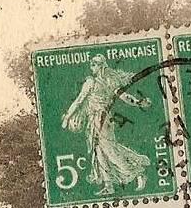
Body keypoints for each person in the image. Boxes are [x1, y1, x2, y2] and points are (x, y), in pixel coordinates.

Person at [62, 54, 152, 196]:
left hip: (102, 119)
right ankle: (108, 185)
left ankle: (138, 173)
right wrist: (68, 116)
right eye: (92, 64)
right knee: (99, 152)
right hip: (94, 120)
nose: (92, 66)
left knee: (110, 150)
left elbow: (123, 96)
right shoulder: (96, 81)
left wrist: (138, 102)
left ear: (101, 66)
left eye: (95, 64)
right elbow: (80, 100)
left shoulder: (99, 82)